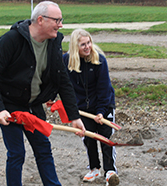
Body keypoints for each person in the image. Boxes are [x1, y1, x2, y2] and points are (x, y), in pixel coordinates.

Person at [0, 1, 86, 186]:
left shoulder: (53, 44)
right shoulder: (12, 40)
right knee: (16, 154)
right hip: (10, 106)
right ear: (40, 20)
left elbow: (62, 80)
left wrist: (74, 116)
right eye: (57, 20)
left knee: (43, 149)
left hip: (33, 106)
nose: (61, 24)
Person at [62, 29, 119, 186]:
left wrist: (101, 111)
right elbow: (61, 83)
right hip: (82, 108)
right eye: (83, 44)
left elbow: (104, 89)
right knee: (89, 137)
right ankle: (94, 168)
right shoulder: (66, 61)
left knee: (106, 138)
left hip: (104, 104)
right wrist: (51, 97)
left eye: (89, 43)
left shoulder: (99, 60)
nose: (87, 47)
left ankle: (110, 171)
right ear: (75, 47)